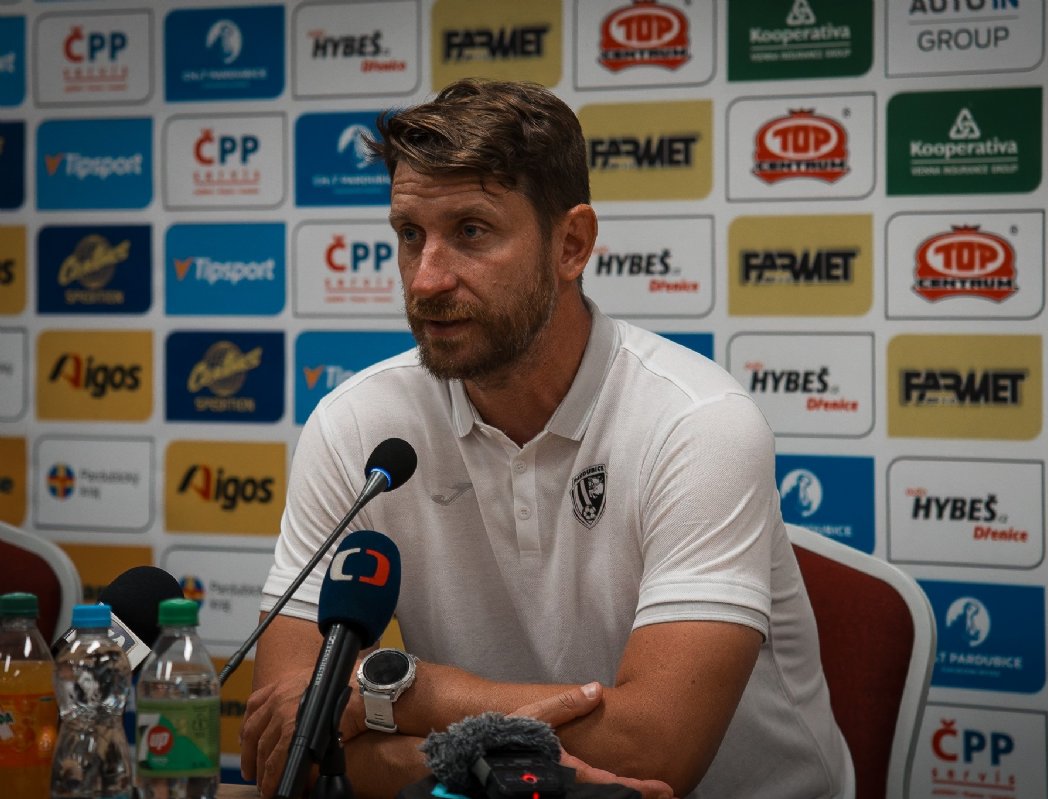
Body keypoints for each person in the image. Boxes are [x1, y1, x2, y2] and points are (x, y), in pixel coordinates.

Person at [240, 78, 850, 799]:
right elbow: (286, 744)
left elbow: (655, 752)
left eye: (471, 231)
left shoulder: (697, 421)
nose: (426, 280)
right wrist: (482, 762)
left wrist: (400, 689)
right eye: (410, 235)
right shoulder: (358, 427)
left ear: (572, 244)